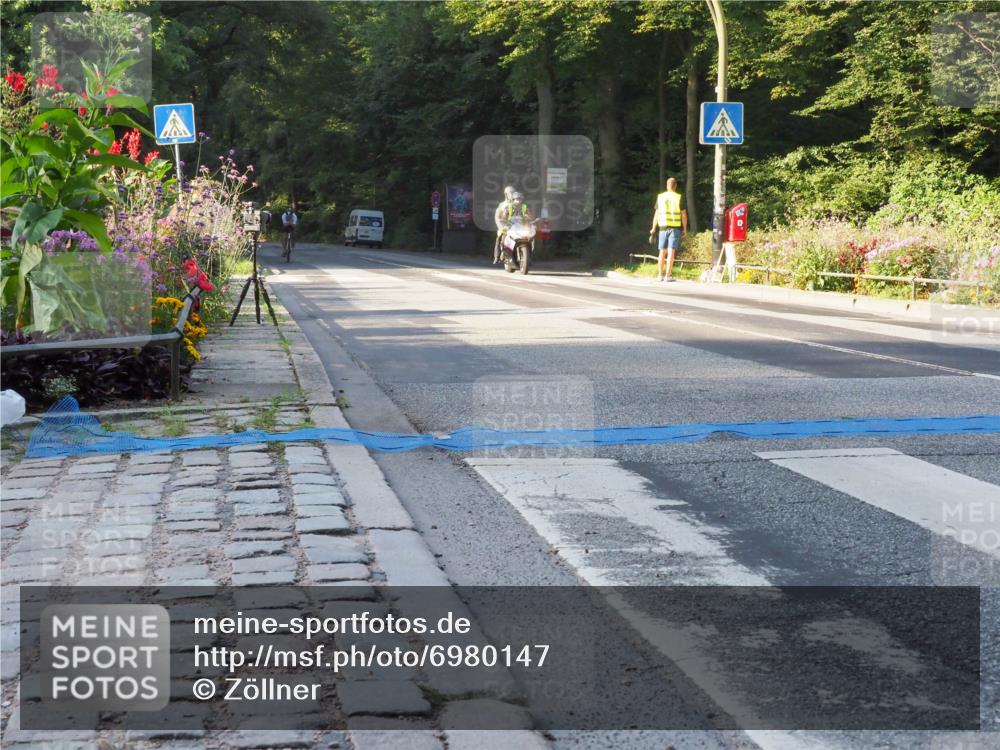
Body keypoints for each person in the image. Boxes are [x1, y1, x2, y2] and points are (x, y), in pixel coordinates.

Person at [648, 177, 688, 282]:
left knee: (662, 252)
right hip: (675, 228)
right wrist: (684, 229)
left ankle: (660, 275)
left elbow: (656, 214)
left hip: (662, 228)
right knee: (671, 251)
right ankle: (668, 275)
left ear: (667, 185)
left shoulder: (660, 197)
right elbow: (683, 215)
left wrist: (653, 228)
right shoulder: (678, 197)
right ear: (675, 186)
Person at [493, 185, 516, 264]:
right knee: (501, 238)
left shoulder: (518, 204)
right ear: (506, 194)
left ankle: (528, 257)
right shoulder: (502, 205)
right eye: (511, 193)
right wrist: (501, 227)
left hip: (516, 226)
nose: (512, 195)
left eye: (513, 193)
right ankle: (497, 256)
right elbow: (497, 217)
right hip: (505, 226)